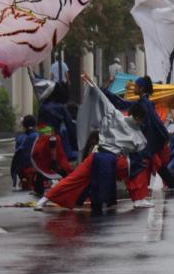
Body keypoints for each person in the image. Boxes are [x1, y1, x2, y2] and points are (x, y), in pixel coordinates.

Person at [38, 78, 151, 214]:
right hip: (113, 160)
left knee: (74, 179)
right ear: (139, 117)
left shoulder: (115, 115)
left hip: (96, 155)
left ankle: (43, 200)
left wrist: (94, 86)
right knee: (136, 168)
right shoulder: (137, 134)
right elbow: (141, 149)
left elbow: (104, 101)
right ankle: (138, 199)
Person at [11, 115, 40, 190]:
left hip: (23, 171)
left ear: (23, 125)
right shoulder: (38, 136)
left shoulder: (19, 137)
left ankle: (24, 179)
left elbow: (17, 158)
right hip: (38, 170)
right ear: (35, 125)